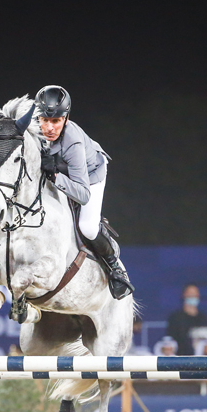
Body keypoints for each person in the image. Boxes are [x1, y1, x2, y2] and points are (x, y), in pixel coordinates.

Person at [35, 85, 133, 300]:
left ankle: (114, 268)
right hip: (60, 172)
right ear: (37, 117)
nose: (49, 127)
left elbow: (82, 194)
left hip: (90, 175)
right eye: (44, 120)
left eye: (56, 121)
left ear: (66, 119)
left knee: (87, 227)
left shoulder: (73, 141)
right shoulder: (32, 130)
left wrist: (56, 178)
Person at [166, 284, 207, 356]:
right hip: (180, 359)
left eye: (195, 295)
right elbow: (171, 341)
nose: (193, 297)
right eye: (191, 294)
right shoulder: (175, 318)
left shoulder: (203, 318)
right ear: (184, 296)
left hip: (200, 360)